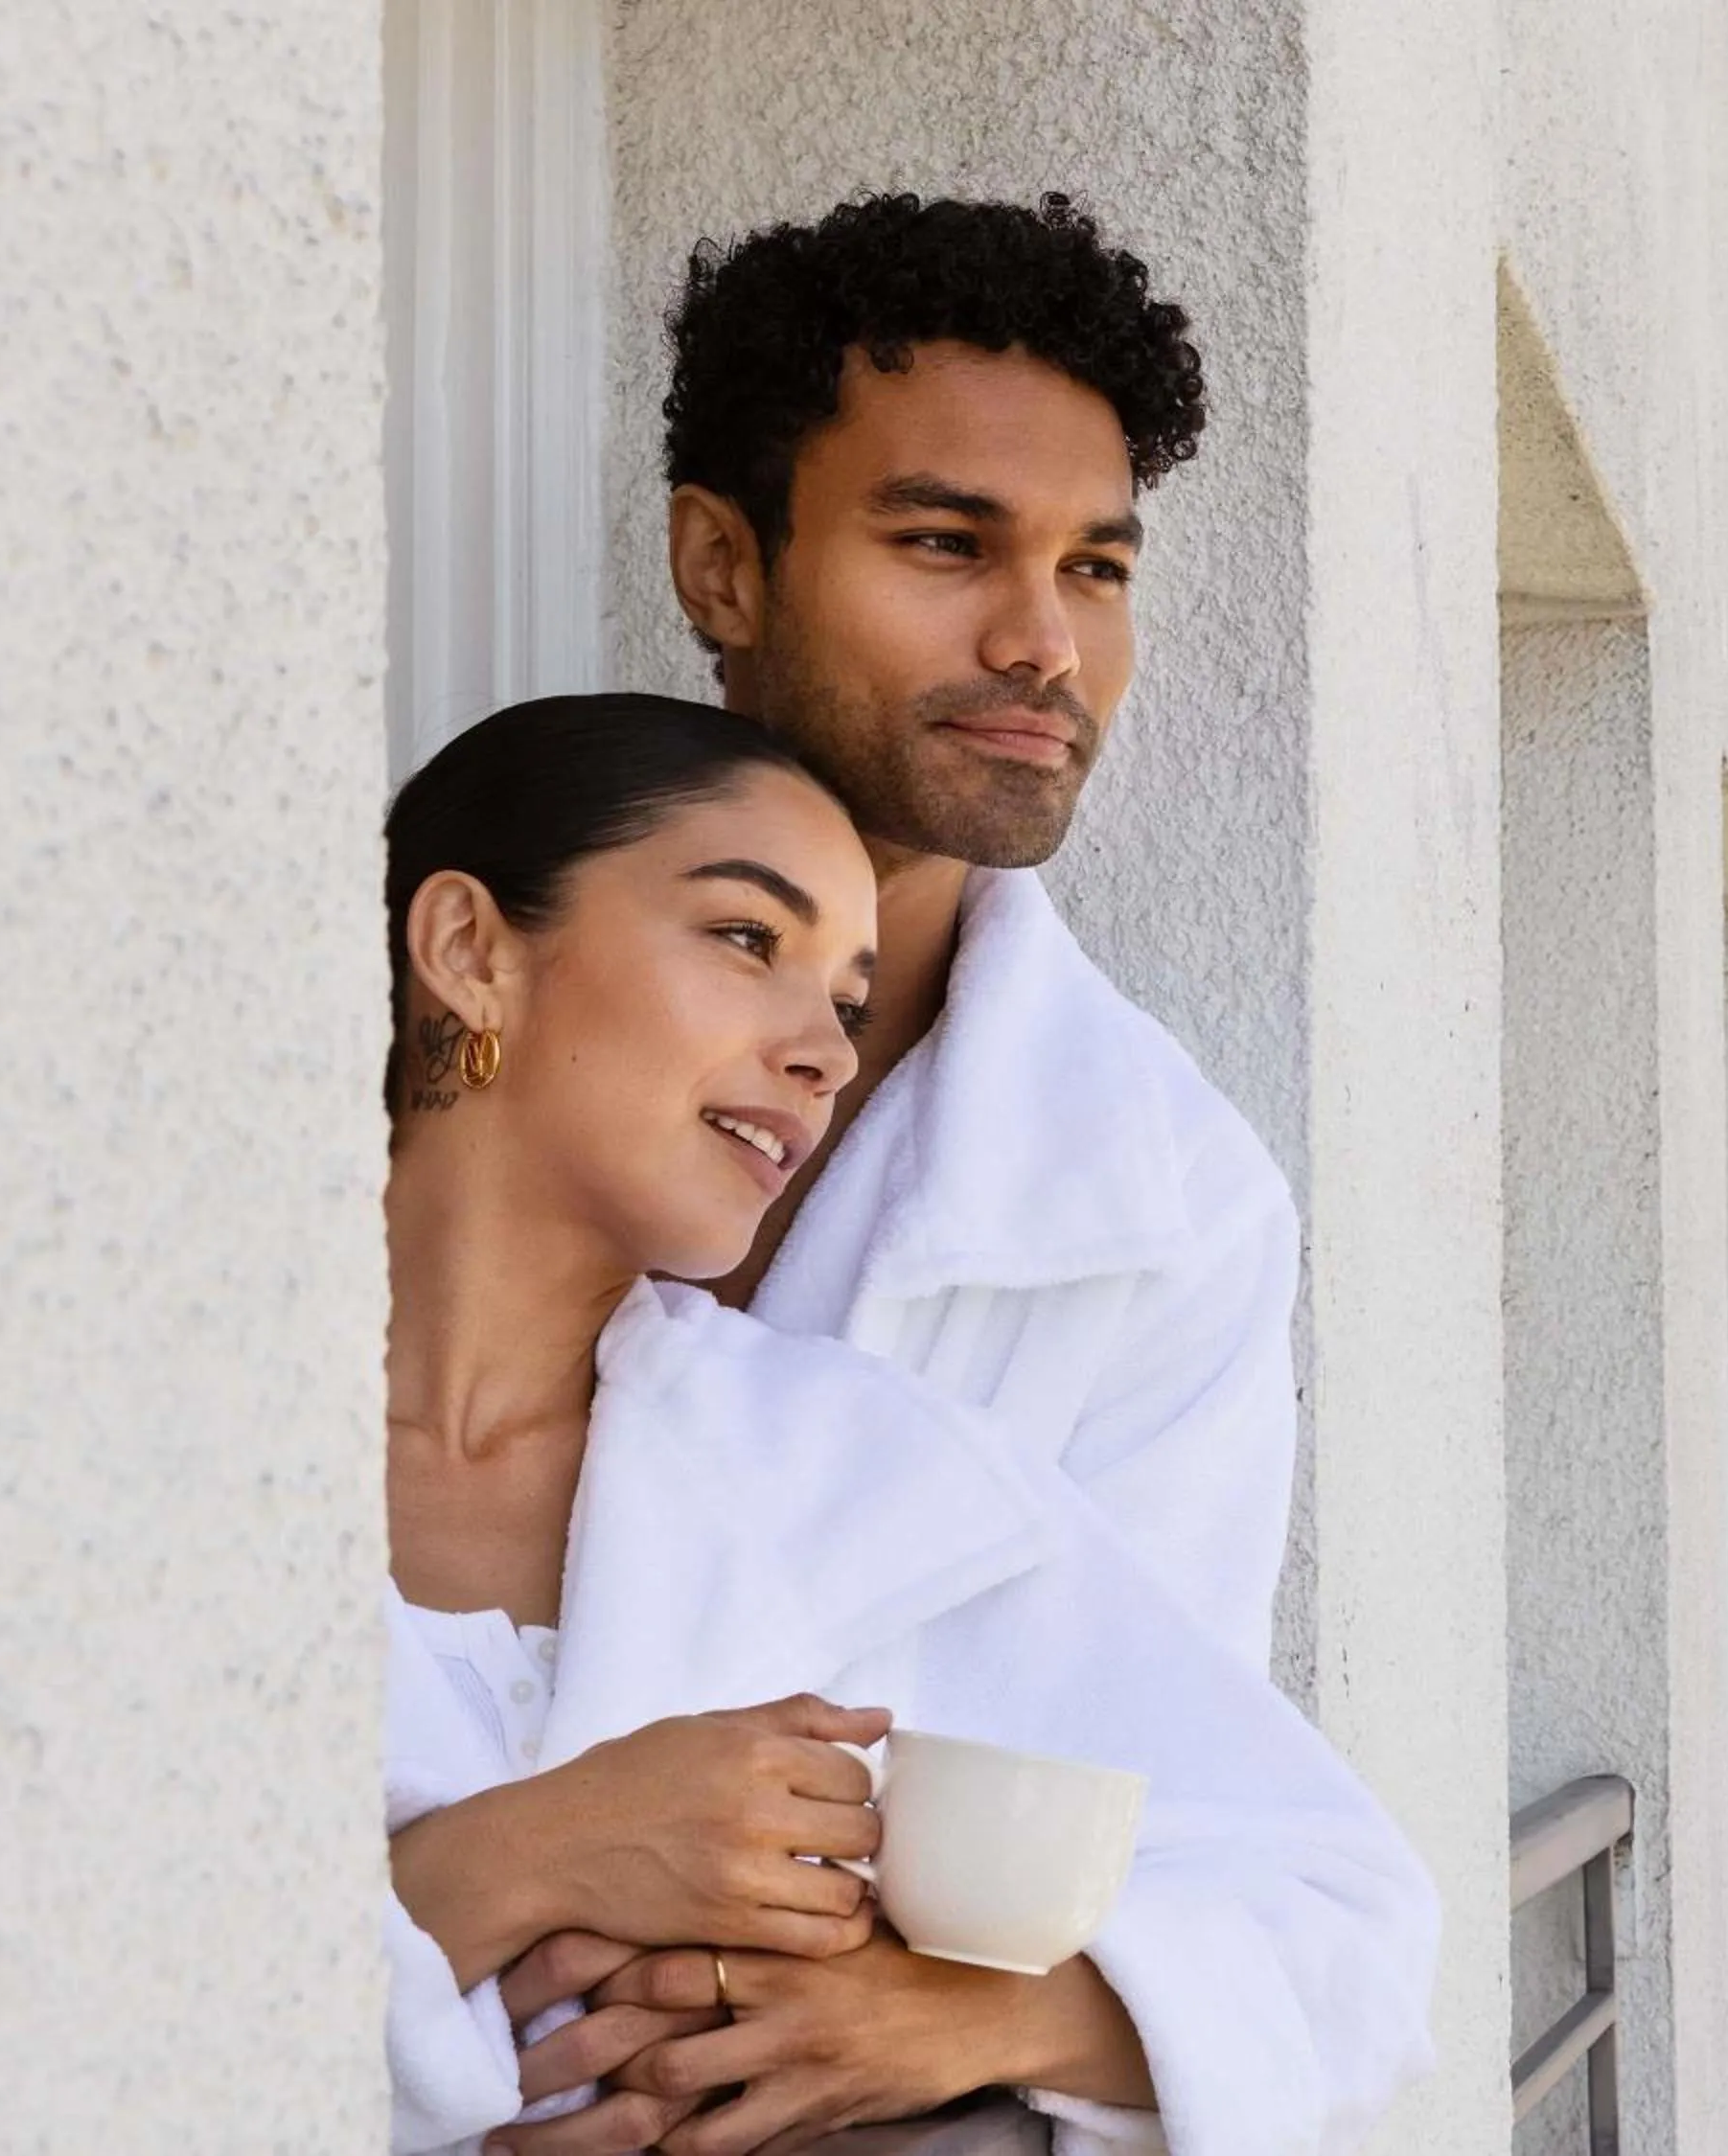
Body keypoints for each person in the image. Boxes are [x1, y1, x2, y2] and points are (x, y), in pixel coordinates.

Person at [379, 695, 1435, 2156]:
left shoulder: (867, 1475)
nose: (819, 1049)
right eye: (749, 941)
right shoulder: (132, 1452)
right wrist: (518, 1855)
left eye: (849, 1002)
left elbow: (1347, 1931)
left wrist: (982, 2018)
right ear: (469, 951)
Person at [652, 194, 1293, 1673]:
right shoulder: (455, 1010)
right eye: (948, 542)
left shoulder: (1173, 1209)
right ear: (722, 567)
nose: (1044, 644)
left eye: (1095, 568)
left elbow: (1147, 1813)